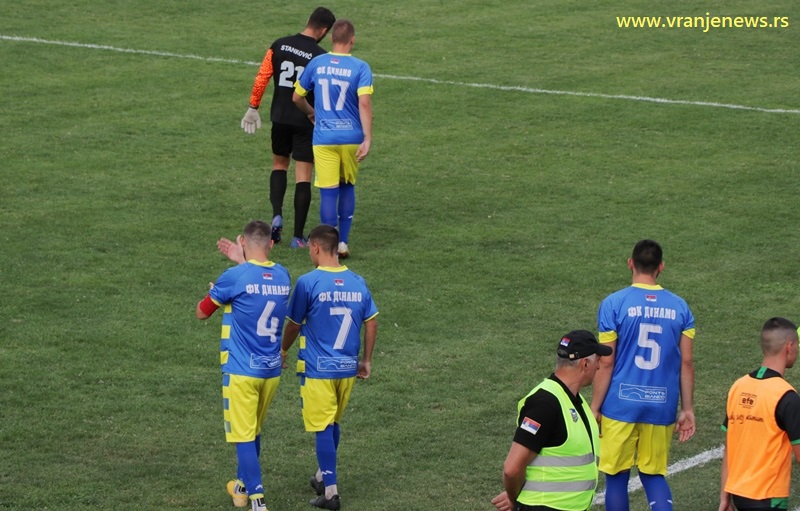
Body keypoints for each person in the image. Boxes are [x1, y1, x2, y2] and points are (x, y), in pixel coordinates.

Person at [590, 239, 696, 511]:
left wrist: (595, 406)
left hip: (620, 405)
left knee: (616, 477)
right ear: (661, 267)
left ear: (630, 263)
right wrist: (687, 409)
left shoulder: (614, 303)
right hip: (661, 405)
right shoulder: (681, 307)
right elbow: (686, 362)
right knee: (653, 474)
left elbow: (607, 362)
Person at [280, 224, 378, 510]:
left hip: (318, 368)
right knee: (332, 422)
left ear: (315, 247)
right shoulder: (358, 281)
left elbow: (294, 324)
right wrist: (366, 359)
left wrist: (282, 350)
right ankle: (323, 475)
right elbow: (371, 322)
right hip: (347, 367)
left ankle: (331, 492)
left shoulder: (308, 282)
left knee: (323, 425)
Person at [195, 220, 292, 511]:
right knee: (254, 431)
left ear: (242, 241)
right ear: (271, 244)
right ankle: (240, 488)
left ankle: (258, 502)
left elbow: (202, 312)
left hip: (241, 371)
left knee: (244, 436)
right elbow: (258, 286)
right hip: (271, 371)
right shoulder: (283, 275)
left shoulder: (234, 277)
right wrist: (242, 262)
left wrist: (219, 289)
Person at [241, 7, 336, 248]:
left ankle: (276, 215)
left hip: (280, 118)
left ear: (308, 21)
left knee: (279, 165)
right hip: (306, 120)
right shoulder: (321, 57)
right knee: (303, 177)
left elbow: (262, 76)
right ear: (324, 31)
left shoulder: (279, 44)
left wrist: (253, 106)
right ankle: (297, 237)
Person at [491, 330, 612, 511]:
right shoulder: (545, 404)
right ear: (585, 364)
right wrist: (514, 499)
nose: (599, 367)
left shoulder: (574, 400)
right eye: (598, 361)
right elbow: (511, 469)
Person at [292, 19, 373, 259]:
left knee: (328, 192)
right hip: (351, 138)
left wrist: (311, 112)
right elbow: (364, 103)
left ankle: (330, 249)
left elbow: (296, 97)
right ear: (352, 40)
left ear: (331, 38)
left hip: (324, 138)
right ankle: (343, 242)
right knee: (347, 185)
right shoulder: (361, 67)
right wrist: (367, 137)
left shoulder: (317, 63)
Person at [719, 317, 800, 511]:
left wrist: (724, 497)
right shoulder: (787, 396)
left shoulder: (738, 387)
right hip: (769, 499)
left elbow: (729, 448)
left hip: (738, 496)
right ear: (789, 347)